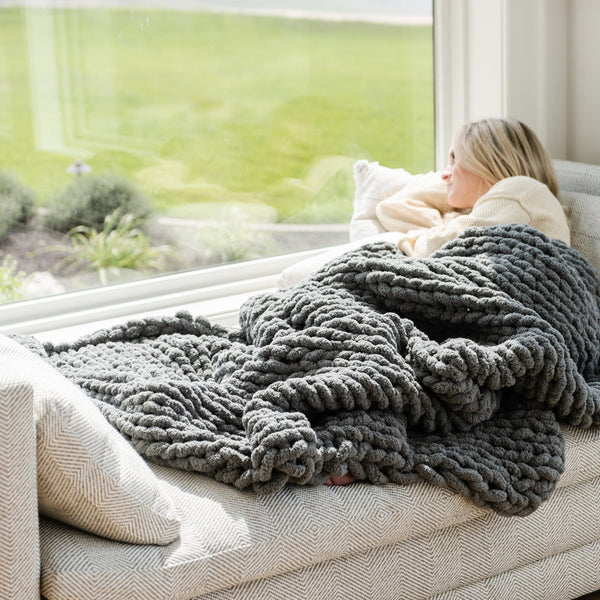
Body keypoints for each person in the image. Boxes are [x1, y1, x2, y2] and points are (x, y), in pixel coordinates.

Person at [326, 117, 571, 487]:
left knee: (398, 346)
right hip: (479, 314)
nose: (444, 173)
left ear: (487, 160)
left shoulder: (522, 191)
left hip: (513, 319)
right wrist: (457, 193)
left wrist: (411, 242)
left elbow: (434, 251)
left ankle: (368, 440)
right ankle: (364, 433)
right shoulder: (479, 213)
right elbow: (392, 209)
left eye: (455, 159)